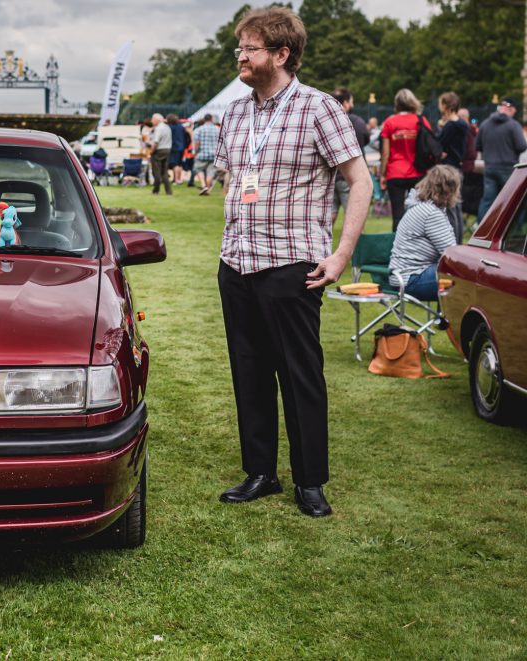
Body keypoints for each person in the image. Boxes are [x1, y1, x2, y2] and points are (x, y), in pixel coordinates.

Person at [214, 6, 370, 517]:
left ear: (282, 54)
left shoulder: (319, 108)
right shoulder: (234, 112)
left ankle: (309, 480)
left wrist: (341, 253)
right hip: (237, 262)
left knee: (300, 373)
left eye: (249, 48)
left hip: (290, 264)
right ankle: (261, 472)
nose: (240, 55)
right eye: (239, 47)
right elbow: (235, 180)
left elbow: (360, 181)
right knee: (248, 369)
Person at [388, 165, 460, 300]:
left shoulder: (423, 207)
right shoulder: (431, 213)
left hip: (403, 276)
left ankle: (444, 318)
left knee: (456, 274)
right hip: (411, 279)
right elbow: (450, 253)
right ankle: (448, 320)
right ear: (449, 189)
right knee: (466, 279)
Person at [380, 89, 431, 230]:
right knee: (420, 213)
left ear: (397, 103)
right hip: (418, 172)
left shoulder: (390, 122)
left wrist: (383, 174)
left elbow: (385, 153)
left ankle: (397, 246)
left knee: (397, 214)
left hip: (395, 173)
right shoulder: (422, 121)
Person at [476, 97, 527, 221]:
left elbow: (478, 146)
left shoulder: (485, 124)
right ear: (511, 109)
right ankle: (512, 232)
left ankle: (481, 229)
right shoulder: (513, 125)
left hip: (489, 167)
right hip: (508, 169)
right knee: (511, 201)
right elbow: (522, 146)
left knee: (488, 201)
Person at [330, 88, 369, 223]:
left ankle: (324, 241)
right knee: (354, 216)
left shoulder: (327, 121)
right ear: (346, 103)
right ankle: (357, 243)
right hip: (349, 176)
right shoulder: (357, 121)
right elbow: (366, 139)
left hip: (331, 174)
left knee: (330, 214)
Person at [435, 92, 468, 241]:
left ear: (446, 106)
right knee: (457, 207)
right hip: (458, 166)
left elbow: (439, 145)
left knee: (450, 209)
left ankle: (454, 241)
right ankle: (459, 240)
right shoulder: (462, 124)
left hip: (448, 168)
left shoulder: (449, 126)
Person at [193, 114, 219, 194]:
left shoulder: (199, 129)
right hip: (214, 154)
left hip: (202, 154)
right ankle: (207, 189)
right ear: (211, 119)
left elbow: (197, 142)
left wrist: (196, 152)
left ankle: (204, 186)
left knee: (198, 169)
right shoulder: (217, 129)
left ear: (204, 119)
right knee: (210, 172)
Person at [149, 112, 172, 195]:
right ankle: (168, 191)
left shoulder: (159, 128)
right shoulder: (167, 127)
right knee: (164, 172)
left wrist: (151, 151)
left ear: (156, 120)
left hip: (159, 150)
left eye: (152, 119)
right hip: (167, 149)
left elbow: (156, 142)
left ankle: (156, 190)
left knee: (156, 171)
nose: (151, 121)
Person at [167, 114, 187, 185]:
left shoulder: (170, 127)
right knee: (179, 164)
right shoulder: (181, 127)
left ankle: (176, 180)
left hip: (174, 147)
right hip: (182, 146)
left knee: (174, 164)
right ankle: (179, 179)